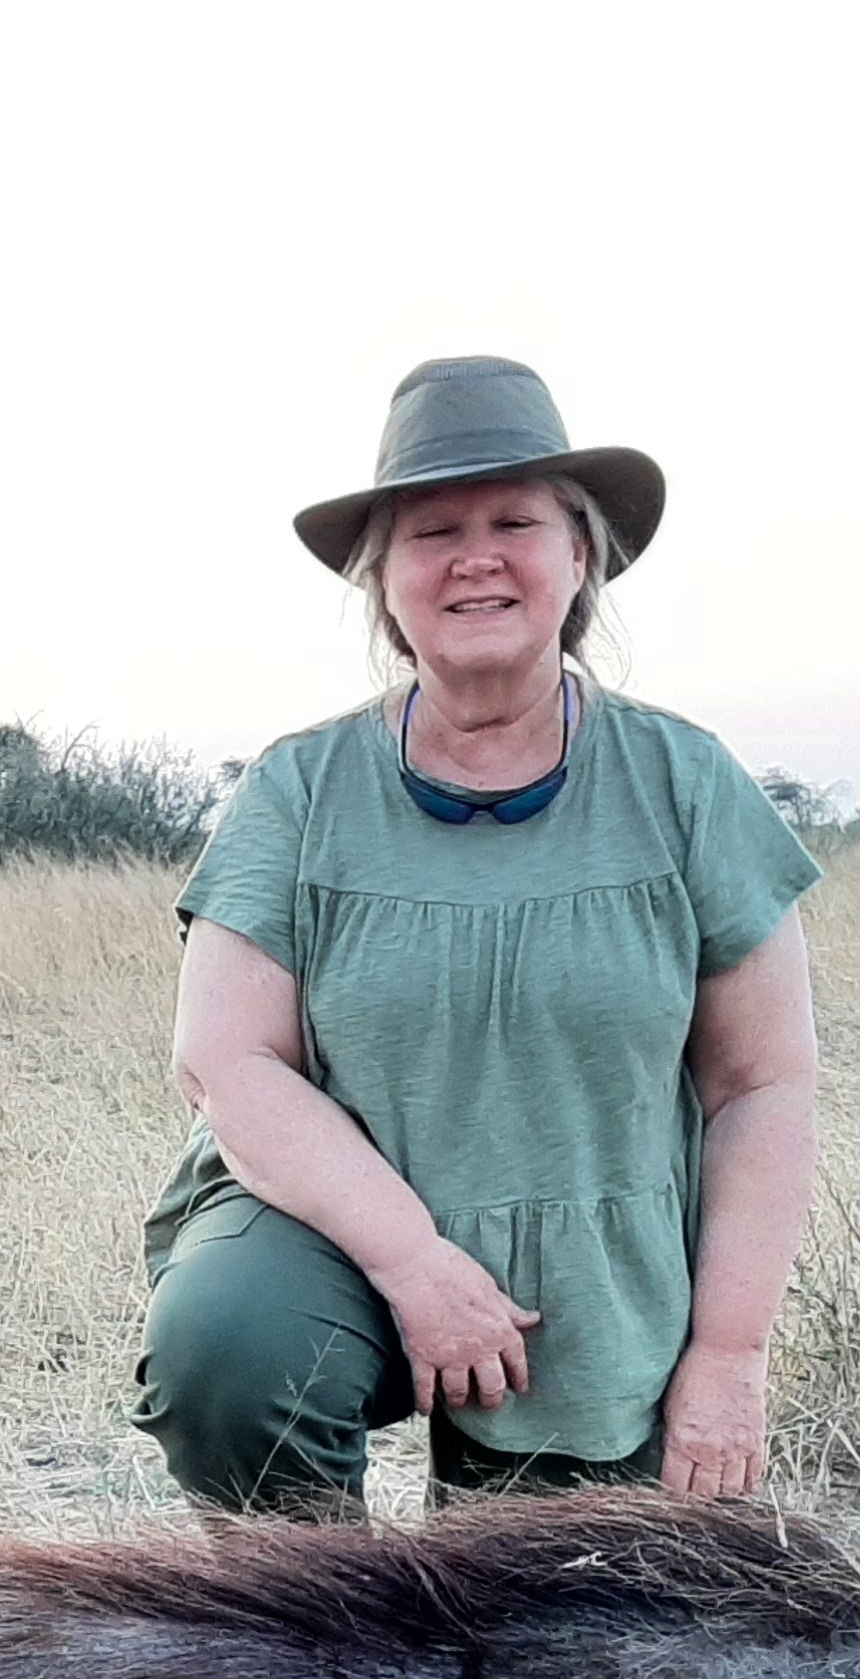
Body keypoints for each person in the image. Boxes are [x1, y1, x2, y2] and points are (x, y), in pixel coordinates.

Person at [134, 354, 823, 1515]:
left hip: (591, 1261)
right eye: (432, 530)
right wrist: (412, 1263)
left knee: (563, 1624)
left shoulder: (687, 781)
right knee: (232, 1354)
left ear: (580, 559)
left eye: (517, 521)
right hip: (337, 1219)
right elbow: (227, 1062)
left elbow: (764, 1082)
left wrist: (729, 1358)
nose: (476, 556)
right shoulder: (298, 789)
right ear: (384, 583)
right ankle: (321, 1646)